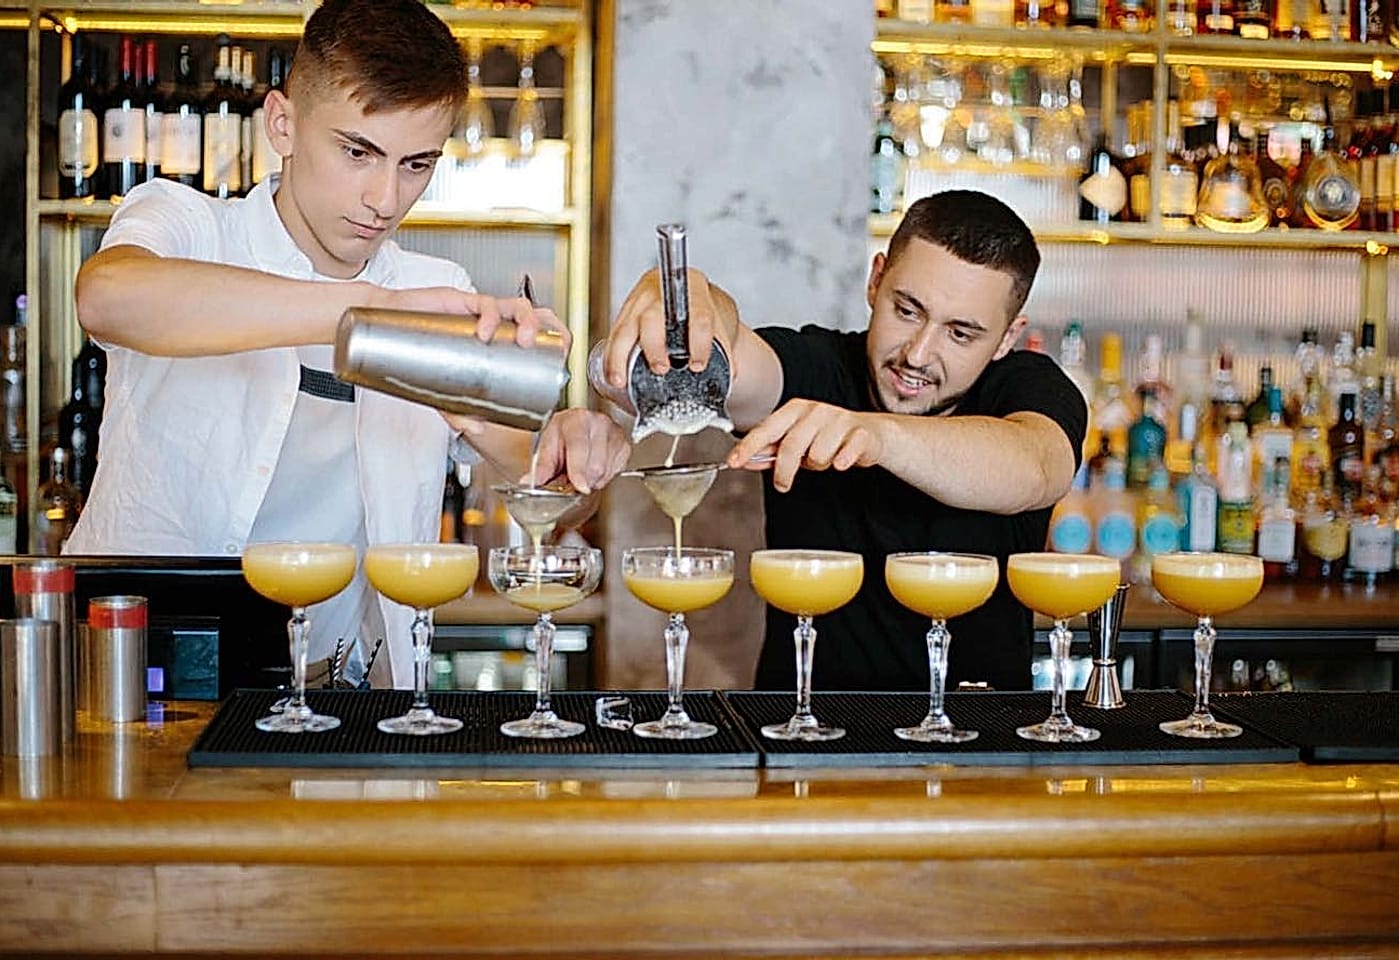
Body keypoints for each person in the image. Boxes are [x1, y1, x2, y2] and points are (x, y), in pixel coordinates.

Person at [67, 0, 629, 687]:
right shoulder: (186, 224)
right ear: (283, 123)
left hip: (337, 692)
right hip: (138, 672)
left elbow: (552, 491)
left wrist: (570, 451)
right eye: (357, 152)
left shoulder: (435, 288)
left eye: (416, 164)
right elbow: (107, 297)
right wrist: (371, 310)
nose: (384, 199)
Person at [601, 191, 1087, 692]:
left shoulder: (1029, 386)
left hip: (981, 744)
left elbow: (1037, 466)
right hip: (803, 736)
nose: (919, 354)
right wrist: (703, 304)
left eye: (960, 334)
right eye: (907, 310)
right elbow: (732, 360)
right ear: (876, 280)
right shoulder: (819, 367)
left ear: (1007, 338)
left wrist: (874, 435)